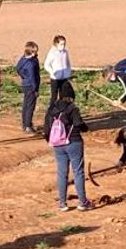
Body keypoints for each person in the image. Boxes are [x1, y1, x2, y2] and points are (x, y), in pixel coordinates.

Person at [44, 82, 93, 212]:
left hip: (58, 144)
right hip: (74, 142)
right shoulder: (72, 108)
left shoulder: (51, 109)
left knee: (62, 173)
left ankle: (62, 203)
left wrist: (51, 140)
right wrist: (85, 128)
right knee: (78, 172)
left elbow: (46, 129)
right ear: (71, 95)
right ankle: (83, 202)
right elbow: (78, 124)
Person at [15, 42, 41, 133]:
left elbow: (18, 69)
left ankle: (24, 123)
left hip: (25, 84)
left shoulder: (22, 60)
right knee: (30, 106)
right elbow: (33, 78)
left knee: (26, 105)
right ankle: (28, 125)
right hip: (31, 86)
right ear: (32, 52)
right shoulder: (31, 64)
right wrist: (35, 89)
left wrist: (23, 76)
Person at [42, 35, 72, 105]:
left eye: (64, 44)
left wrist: (68, 72)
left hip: (64, 77)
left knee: (63, 95)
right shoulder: (52, 53)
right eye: (61, 44)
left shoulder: (65, 52)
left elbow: (68, 63)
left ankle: (61, 112)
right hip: (55, 78)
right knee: (54, 96)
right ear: (56, 44)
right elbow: (46, 65)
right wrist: (52, 72)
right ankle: (51, 112)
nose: (63, 46)